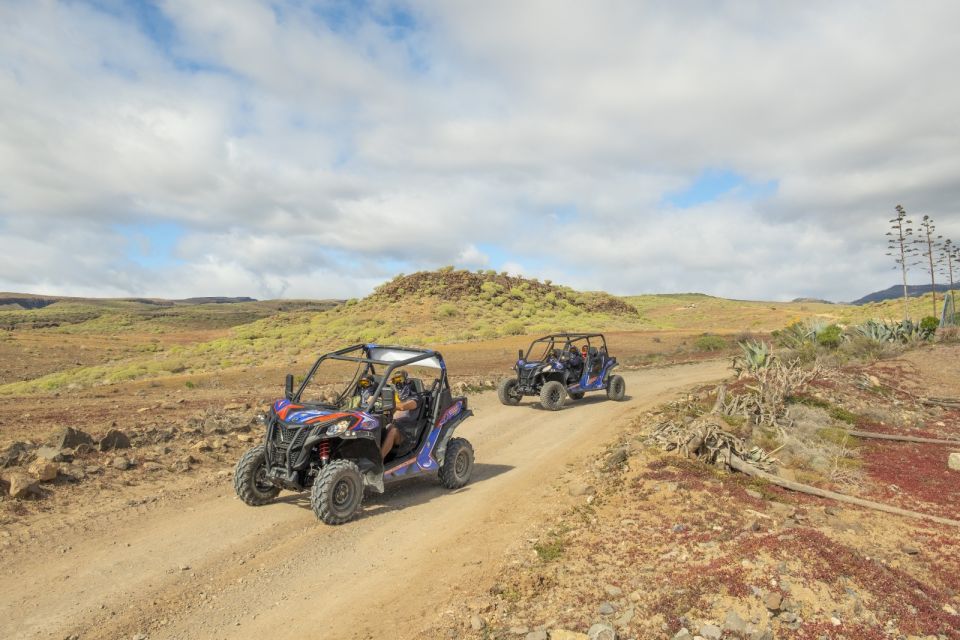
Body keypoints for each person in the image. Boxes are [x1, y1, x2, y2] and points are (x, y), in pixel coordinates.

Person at [381, 369, 419, 459]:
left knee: (393, 431)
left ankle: (378, 461)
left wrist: (381, 403)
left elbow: (402, 407)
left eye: (400, 379)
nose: (398, 383)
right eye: (395, 381)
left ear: (407, 380)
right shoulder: (395, 398)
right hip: (394, 426)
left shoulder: (415, 397)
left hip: (408, 435)